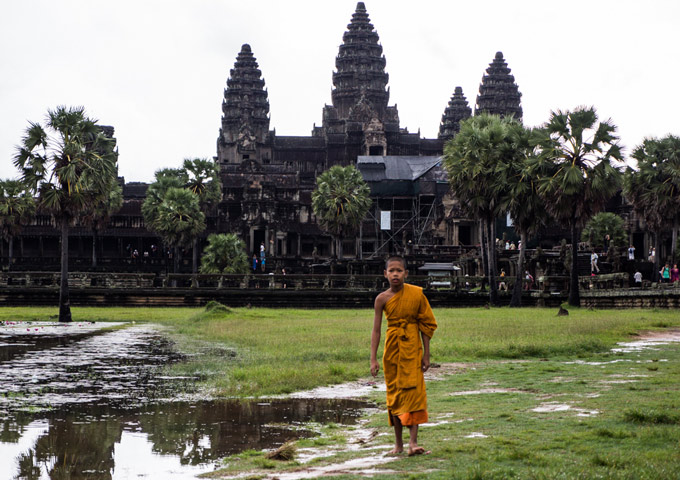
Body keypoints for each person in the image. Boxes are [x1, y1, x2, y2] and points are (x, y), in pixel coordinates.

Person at [370, 256, 437, 456]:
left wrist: (427, 354)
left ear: (406, 273)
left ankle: (413, 443)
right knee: (395, 395)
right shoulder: (381, 299)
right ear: (385, 274)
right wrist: (373, 359)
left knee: (414, 394)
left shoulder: (416, 295)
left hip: (412, 348)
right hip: (392, 351)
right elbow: (376, 331)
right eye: (391, 271)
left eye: (399, 270)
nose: (395, 274)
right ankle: (398, 444)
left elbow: (426, 325)